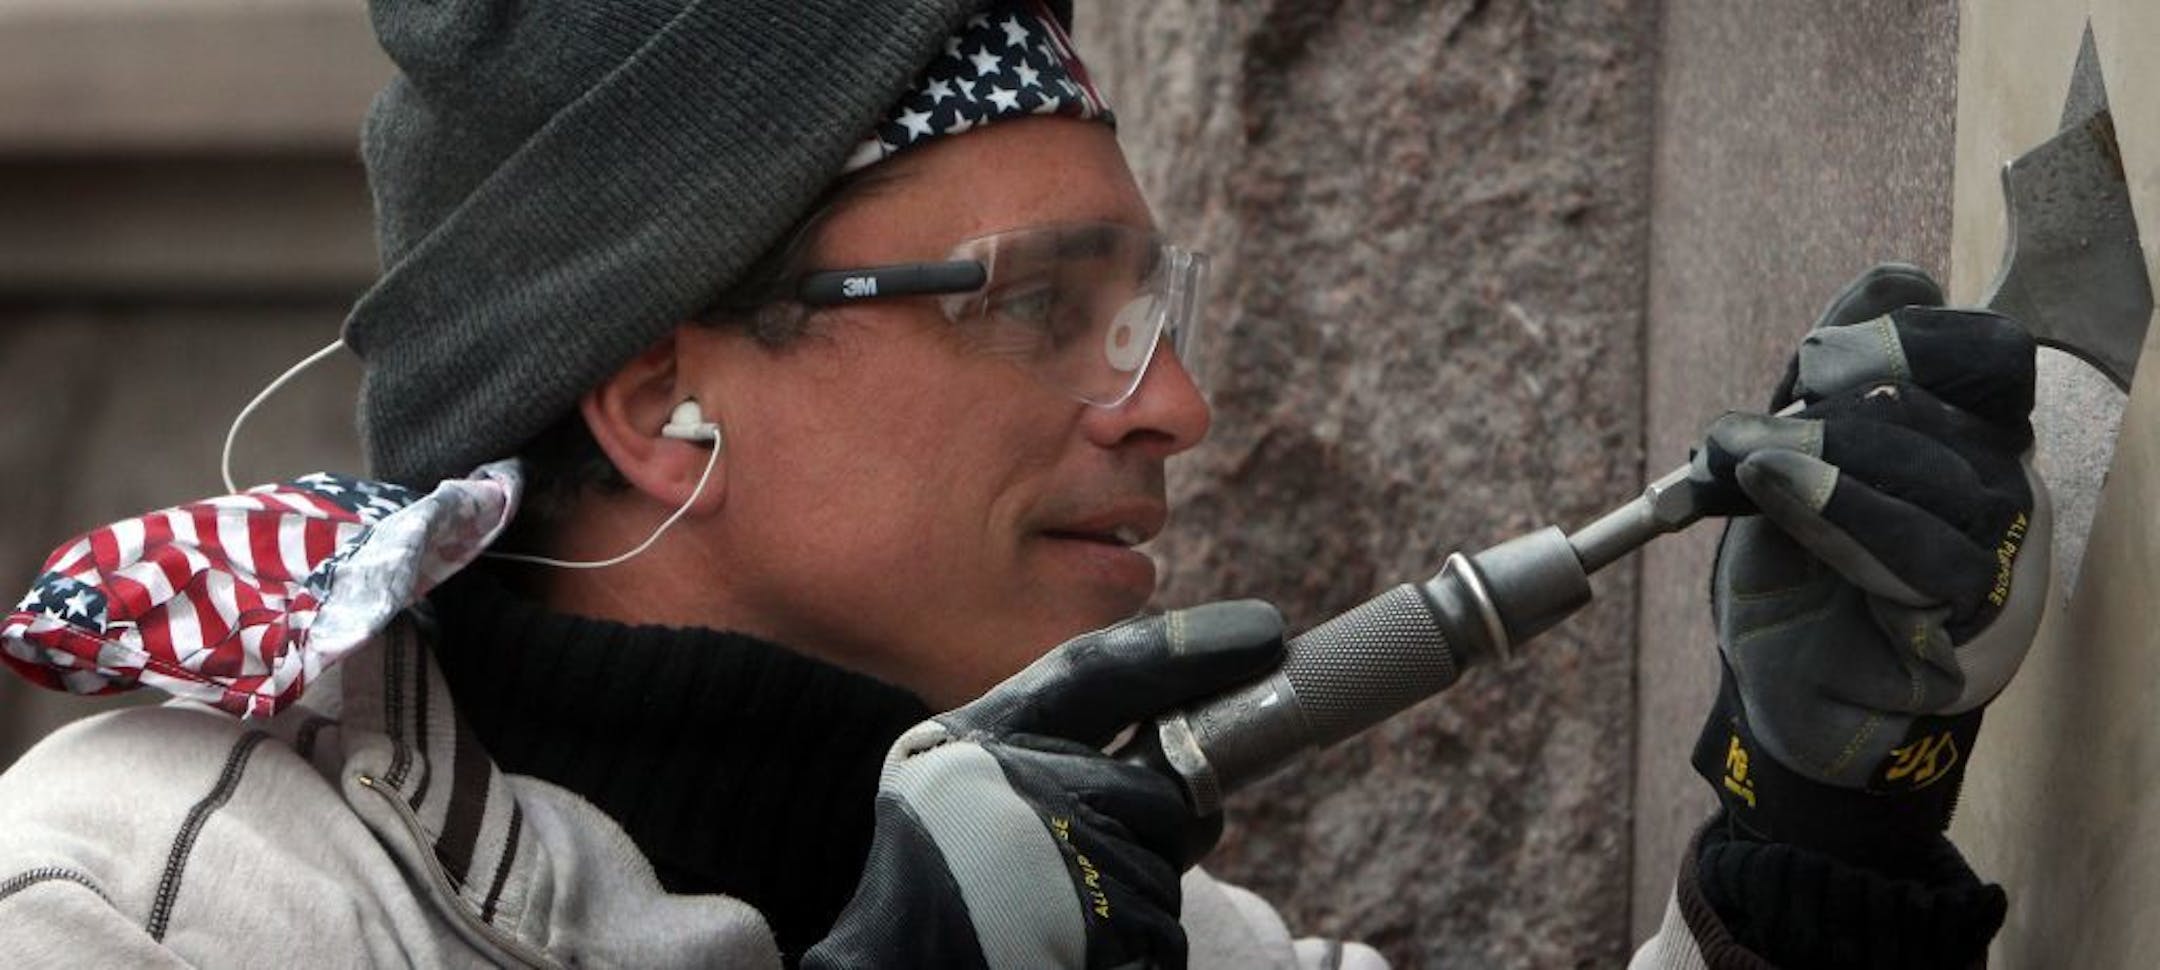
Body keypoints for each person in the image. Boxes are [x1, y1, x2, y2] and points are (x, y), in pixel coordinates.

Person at [0, 3, 2045, 968]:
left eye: (1148, 307)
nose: (1177, 408)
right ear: (658, 399)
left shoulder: (1101, 913)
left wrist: (1821, 815)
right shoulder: (150, 896)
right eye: (1041, 307)